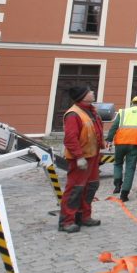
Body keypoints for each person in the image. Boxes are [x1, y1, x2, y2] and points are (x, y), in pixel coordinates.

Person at [59, 85, 104, 233]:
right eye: (90, 91)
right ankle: (67, 221)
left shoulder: (91, 111)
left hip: (93, 155)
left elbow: (96, 132)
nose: (93, 92)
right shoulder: (73, 114)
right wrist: (79, 157)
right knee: (75, 189)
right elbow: (70, 138)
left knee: (91, 186)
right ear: (83, 96)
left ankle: (84, 216)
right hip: (81, 158)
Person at [106, 95, 137, 202]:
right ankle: (124, 194)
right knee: (130, 168)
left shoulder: (123, 112)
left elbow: (114, 126)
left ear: (132, 103)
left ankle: (117, 184)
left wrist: (109, 139)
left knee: (118, 163)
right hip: (134, 143)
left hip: (120, 141)